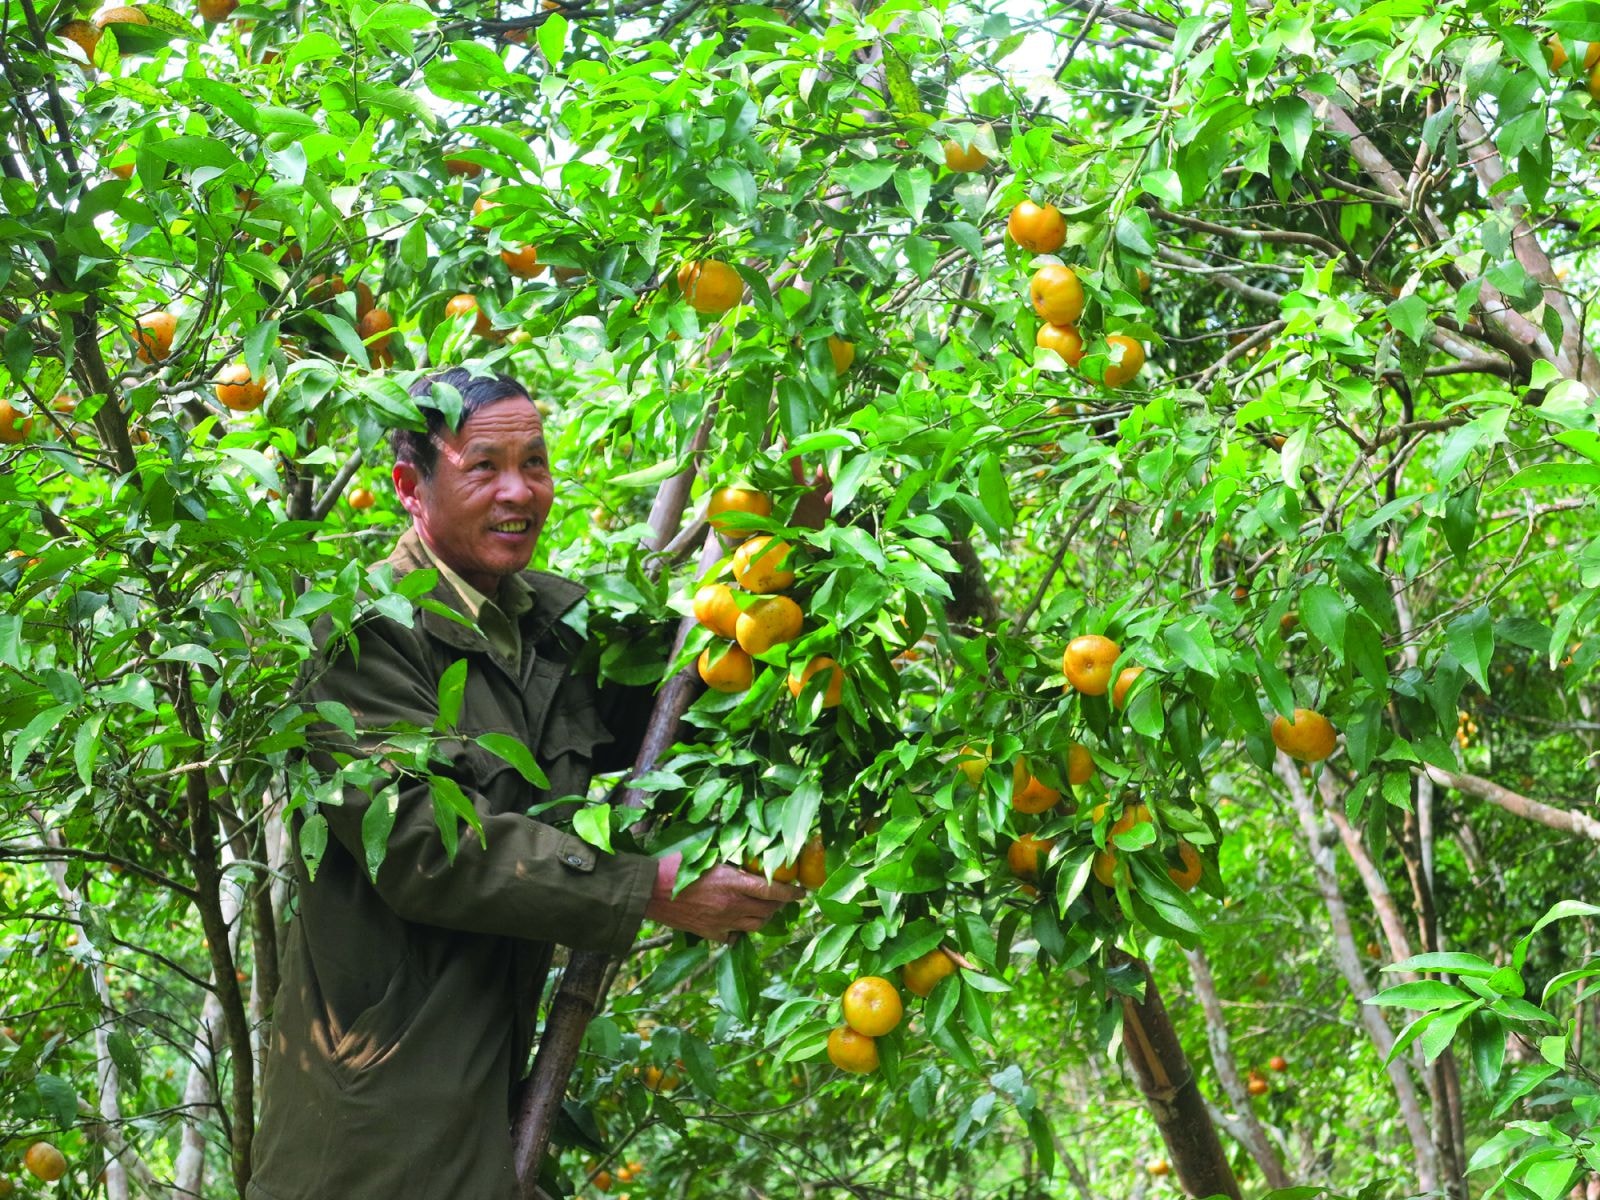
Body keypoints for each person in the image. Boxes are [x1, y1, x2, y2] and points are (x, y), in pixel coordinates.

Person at [248, 367, 801, 1200]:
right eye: (483, 467)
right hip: (376, 1133)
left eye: (535, 464)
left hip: (489, 1106)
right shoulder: (357, 637)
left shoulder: (556, 621)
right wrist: (643, 889)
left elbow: (706, 703)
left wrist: (798, 554)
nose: (519, 491)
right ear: (410, 486)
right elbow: (423, 848)